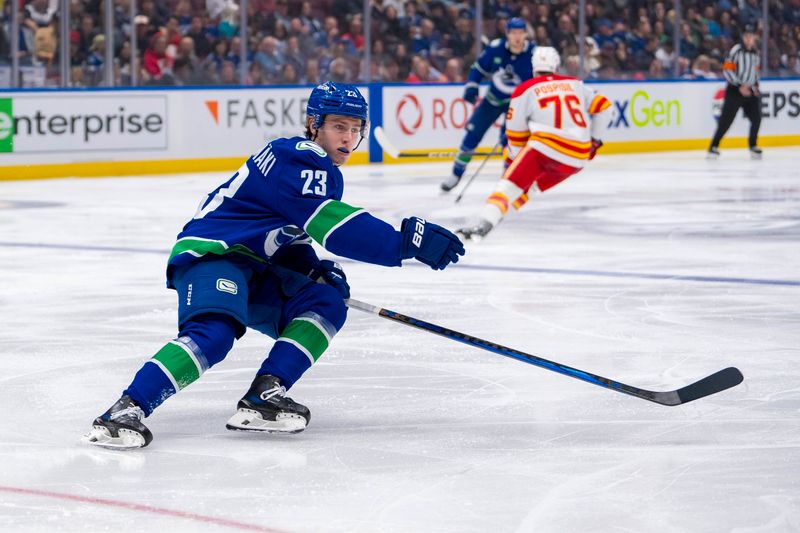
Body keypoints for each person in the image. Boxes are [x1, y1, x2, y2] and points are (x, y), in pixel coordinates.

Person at [83, 82, 465, 450]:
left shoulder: (313, 166)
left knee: (325, 302)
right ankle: (124, 410)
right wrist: (402, 243)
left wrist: (312, 269)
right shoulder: (301, 156)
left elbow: (287, 233)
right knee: (214, 334)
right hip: (215, 254)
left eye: (354, 129)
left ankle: (265, 395)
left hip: (254, 265)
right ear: (314, 124)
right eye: (338, 127)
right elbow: (331, 225)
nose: (347, 138)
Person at [457, 47, 612, 240]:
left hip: (544, 148)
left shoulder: (525, 89)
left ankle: (484, 223)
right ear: (556, 66)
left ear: (534, 67)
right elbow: (605, 108)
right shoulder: (575, 84)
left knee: (508, 186)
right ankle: (496, 216)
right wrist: (594, 143)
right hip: (577, 156)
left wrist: (513, 160)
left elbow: (515, 135)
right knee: (531, 188)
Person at [440, 17, 534, 192]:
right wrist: (472, 86)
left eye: (520, 33)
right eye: (513, 33)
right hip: (492, 100)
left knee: (511, 142)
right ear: (507, 34)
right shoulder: (496, 48)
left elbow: (540, 81)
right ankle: (456, 173)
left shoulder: (533, 53)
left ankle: (507, 180)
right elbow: (478, 68)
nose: (517, 37)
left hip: (517, 106)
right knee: (472, 135)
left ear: (525, 34)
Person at [708, 24, 762, 160]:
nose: (749, 39)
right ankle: (713, 147)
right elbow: (727, 70)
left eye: (751, 36)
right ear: (743, 37)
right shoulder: (736, 51)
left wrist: (755, 86)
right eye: (746, 36)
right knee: (726, 121)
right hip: (734, 90)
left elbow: (755, 72)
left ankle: (753, 145)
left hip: (749, 90)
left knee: (756, 118)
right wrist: (739, 85)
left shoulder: (756, 53)